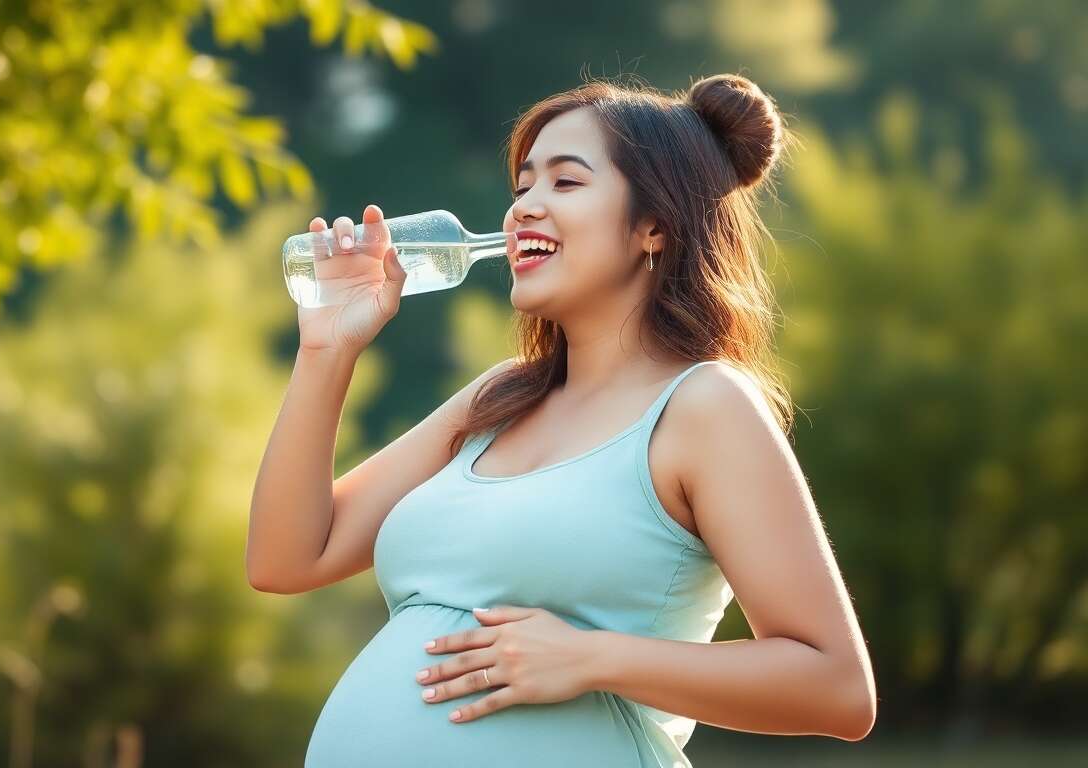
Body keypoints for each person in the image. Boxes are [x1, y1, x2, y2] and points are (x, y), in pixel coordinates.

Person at [248, 74, 876, 767]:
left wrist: (589, 657)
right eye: (522, 188)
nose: (524, 210)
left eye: (565, 184)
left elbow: (837, 688)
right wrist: (326, 351)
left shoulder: (704, 406)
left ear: (655, 225)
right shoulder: (498, 398)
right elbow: (285, 558)